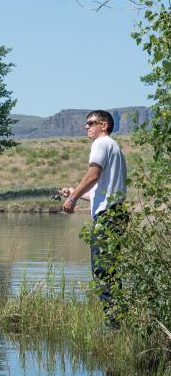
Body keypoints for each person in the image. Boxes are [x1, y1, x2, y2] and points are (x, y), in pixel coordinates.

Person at [60, 110, 128, 321]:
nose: (86, 127)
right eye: (86, 124)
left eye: (90, 123)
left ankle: (113, 324)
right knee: (110, 269)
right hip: (116, 213)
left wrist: (71, 200)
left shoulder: (101, 144)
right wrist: (76, 193)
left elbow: (92, 175)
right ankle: (118, 319)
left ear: (104, 125)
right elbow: (102, 193)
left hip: (107, 217)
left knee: (102, 269)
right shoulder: (115, 148)